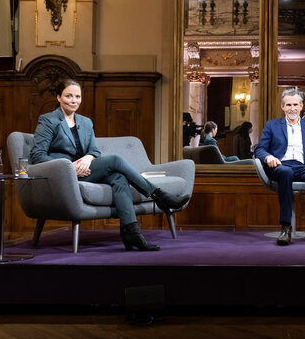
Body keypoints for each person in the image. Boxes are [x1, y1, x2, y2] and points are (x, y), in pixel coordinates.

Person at [30, 79, 191, 251]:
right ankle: (160, 197)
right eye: (68, 96)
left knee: (119, 178)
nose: (74, 100)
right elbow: (37, 155)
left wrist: (88, 158)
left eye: (77, 96)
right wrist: (68, 165)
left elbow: (94, 151)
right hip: (65, 174)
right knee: (115, 160)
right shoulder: (48, 120)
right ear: (58, 97)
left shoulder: (86, 122)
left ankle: (132, 233)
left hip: (87, 170)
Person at [255, 88, 305, 246]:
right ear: (282, 107)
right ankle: (286, 227)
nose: (292, 108)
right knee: (286, 172)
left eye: (295, 104)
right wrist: (268, 157)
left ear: (301, 106)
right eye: (288, 105)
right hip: (280, 167)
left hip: (303, 167)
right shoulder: (272, 125)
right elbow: (259, 149)